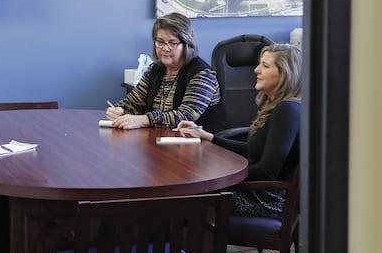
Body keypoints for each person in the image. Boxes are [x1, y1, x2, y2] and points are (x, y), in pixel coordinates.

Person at [176, 43, 302, 218]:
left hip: (267, 200)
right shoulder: (278, 107)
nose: (256, 70)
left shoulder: (287, 110)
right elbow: (252, 150)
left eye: (265, 66)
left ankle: (190, 244)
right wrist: (208, 137)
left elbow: (268, 171)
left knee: (184, 200)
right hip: (257, 191)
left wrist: (219, 173)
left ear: (285, 74)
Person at [106, 12, 228, 132]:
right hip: (163, 141)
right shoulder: (154, 70)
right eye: (160, 42)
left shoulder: (203, 74)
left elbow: (184, 116)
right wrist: (119, 109)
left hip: (202, 145)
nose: (165, 48)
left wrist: (144, 119)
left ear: (187, 44)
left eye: (173, 43)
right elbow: (134, 102)